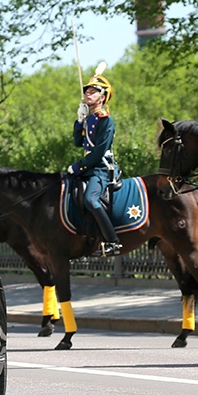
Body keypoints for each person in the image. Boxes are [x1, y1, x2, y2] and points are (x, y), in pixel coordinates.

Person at [68, 65, 122, 257]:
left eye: (93, 91)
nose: (88, 94)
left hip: (100, 169)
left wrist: (78, 166)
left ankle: (113, 242)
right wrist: (79, 121)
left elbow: (99, 152)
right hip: (89, 168)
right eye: (87, 91)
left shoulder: (106, 120)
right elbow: (77, 142)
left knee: (90, 199)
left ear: (103, 97)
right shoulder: (89, 118)